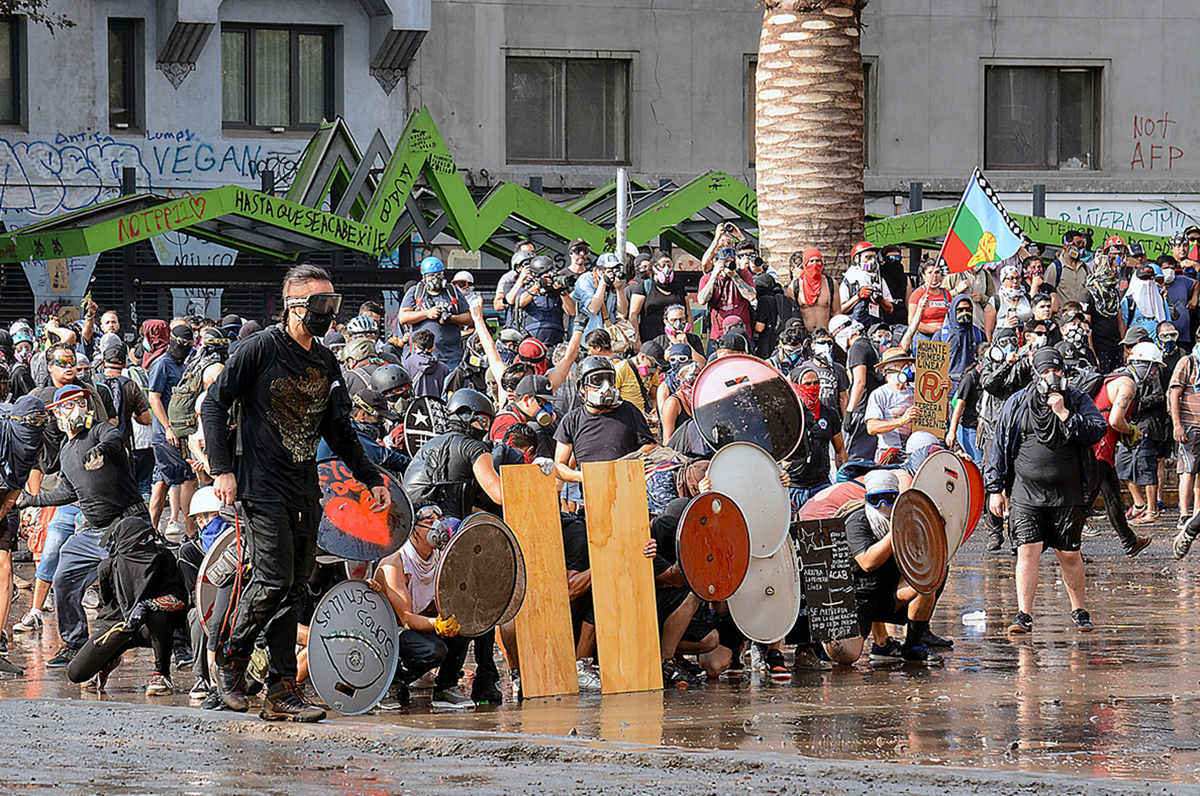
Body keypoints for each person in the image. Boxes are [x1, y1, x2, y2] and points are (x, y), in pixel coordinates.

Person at [202, 264, 389, 721]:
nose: (329, 314)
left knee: (294, 591)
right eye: (321, 305)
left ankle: (281, 692)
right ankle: (229, 654)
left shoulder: (326, 362)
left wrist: (373, 478)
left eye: (334, 305)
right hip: (259, 486)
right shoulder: (259, 349)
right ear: (294, 307)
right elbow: (213, 403)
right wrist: (222, 471)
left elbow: (339, 431)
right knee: (272, 579)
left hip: (305, 488)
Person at [17, 384, 150, 670]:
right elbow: (68, 491)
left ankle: (177, 643)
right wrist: (33, 500)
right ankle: (75, 642)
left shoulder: (100, 431)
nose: (77, 409)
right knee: (64, 576)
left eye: (80, 402)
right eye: (68, 405)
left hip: (128, 525)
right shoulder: (66, 451)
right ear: (56, 414)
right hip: (94, 532)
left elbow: (114, 437)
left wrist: (102, 448)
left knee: (141, 589)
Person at [986, 347, 1107, 635]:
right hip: (1026, 492)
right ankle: (1023, 615)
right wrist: (995, 488)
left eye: (1057, 371)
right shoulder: (1017, 403)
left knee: (1069, 554)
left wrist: (1064, 414)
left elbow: (1097, 429)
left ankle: (1079, 610)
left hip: (1068, 494)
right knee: (1027, 551)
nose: (1051, 377)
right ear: (1035, 374)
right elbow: (999, 447)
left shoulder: (1077, 399)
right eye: (1045, 372)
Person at [823, 470, 944, 665]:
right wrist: (894, 532)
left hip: (890, 592)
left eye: (889, 498)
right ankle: (879, 643)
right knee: (845, 655)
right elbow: (867, 562)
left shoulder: (908, 517)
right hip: (858, 597)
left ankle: (913, 644)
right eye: (876, 499)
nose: (883, 505)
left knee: (930, 577)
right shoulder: (857, 520)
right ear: (867, 499)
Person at [65, 516, 187, 695]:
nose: (149, 544)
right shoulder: (108, 567)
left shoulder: (162, 558)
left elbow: (180, 600)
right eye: (142, 541)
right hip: (120, 624)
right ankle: (109, 660)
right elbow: (107, 605)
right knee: (76, 673)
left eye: (150, 538)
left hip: (154, 627)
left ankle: (162, 674)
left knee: (158, 616)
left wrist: (148, 605)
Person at [372, 504, 473, 710]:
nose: (437, 527)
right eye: (429, 523)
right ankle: (390, 683)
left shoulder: (440, 557)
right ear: (413, 529)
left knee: (465, 624)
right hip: (391, 631)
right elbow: (407, 618)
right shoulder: (395, 563)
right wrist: (436, 624)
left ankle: (446, 687)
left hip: (422, 624)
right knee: (433, 650)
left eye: (439, 521)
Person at [554, 356, 657, 487]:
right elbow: (559, 466)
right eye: (597, 380)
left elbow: (651, 446)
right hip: (592, 495)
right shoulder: (572, 420)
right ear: (582, 388)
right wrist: (585, 476)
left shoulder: (629, 410)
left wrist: (623, 465)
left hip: (628, 488)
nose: (605, 386)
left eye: (609, 379)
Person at [148, 323, 197, 540]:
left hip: (177, 433)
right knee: (188, 479)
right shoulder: (162, 365)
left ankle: (151, 531)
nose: (184, 348)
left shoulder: (181, 365)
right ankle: (190, 531)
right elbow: (153, 397)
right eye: (182, 344)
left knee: (163, 482)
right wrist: (167, 427)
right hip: (166, 435)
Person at [786, 366, 846, 505]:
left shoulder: (830, 414)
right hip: (794, 488)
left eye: (816, 383)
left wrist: (844, 480)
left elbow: (840, 449)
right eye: (807, 384)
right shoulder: (788, 417)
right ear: (796, 386)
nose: (812, 387)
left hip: (822, 486)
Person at [398, 256, 472, 369]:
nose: (436, 279)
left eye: (439, 274)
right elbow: (403, 317)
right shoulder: (416, 291)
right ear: (424, 277)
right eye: (432, 276)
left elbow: (469, 317)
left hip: (451, 357)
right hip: (421, 357)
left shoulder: (452, 291)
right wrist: (426, 314)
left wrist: (451, 318)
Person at [832, 314, 882, 462]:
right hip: (871, 407)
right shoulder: (869, 344)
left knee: (852, 457)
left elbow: (860, 382)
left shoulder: (857, 348)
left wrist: (849, 411)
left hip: (861, 410)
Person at [697, 244, 755, 356]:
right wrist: (714, 275)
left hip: (742, 335)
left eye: (731, 261)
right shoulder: (708, 278)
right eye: (725, 262)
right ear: (715, 261)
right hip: (718, 335)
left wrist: (735, 277)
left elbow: (751, 296)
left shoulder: (743, 274)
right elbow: (702, 300)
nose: (728, 264)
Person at [865, 347, 917, 458]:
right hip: (890, 453)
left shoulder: (914, 393)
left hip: (913, 453)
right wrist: (902, 420)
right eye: (901, 366)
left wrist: (943, 393)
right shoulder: (879, 394)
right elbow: (872, 427)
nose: (906, 369)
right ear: (888, 370)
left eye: (907, 365)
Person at [630, 254, 689, 346]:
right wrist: (636, 340)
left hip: (676, 340)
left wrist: (690, 337)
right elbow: (633, 315)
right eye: (662, 265)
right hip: (649, 340)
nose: (666, 269)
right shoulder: (644, 286)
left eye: (669, 265)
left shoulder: (679, 287)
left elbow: (688, 314)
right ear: (654, 268)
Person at [933, 295, 987, 389]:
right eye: (960, 310)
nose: (964, 313)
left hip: (972, 387)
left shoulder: (979, 334)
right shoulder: (942, 335)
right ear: (953, 311)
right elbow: (932, 366)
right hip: (947, 387)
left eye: (968, 310)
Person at [572, 252, 629, 336]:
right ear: (599, 271)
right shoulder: (585, 280)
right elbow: (593, 309)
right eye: (610, 269)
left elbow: (623, 311)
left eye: (617, 268)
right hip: (586, 337)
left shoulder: (613, 284)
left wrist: (619, 289)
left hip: (606, 336)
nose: (613, 273)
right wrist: (603, 284)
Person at [791, 248, 838, 333]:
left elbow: (837, 312)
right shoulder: (795, 286)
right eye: (811, 261)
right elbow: (790, 316)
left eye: (818, 261)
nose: (815, 264)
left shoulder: (831, 284)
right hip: (804, 336)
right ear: (805, 263)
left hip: (826, 336)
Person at [401, 329, 450, 399]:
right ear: (433, 348)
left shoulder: (405, 365)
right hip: (436, 407)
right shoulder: (444, 368)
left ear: (414, 347)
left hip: (414, 407)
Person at [1047, 230, 1091, 306]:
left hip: (1081, 316)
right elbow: (1048, 293)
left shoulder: (1085, 268)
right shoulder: (1056, 267)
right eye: (1078, 244)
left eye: (1083, 243)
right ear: (1067, 246)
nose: (1081, 247)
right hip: (1062, 316)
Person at [908, 260, 951, 339]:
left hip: (945, 337)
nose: (934, 276)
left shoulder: (946, 293)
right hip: (925, 338)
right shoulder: (917, 294)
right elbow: (911, 322)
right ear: (923, 275)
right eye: (930, 272)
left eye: (937, 272)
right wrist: (935, 330)